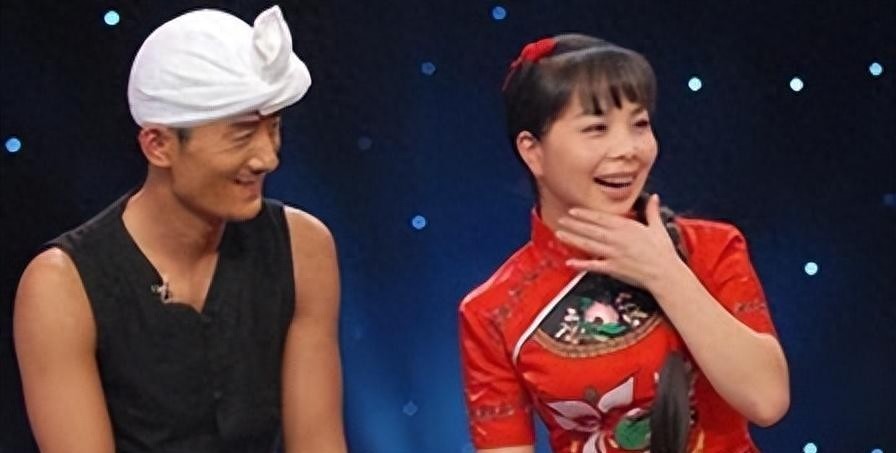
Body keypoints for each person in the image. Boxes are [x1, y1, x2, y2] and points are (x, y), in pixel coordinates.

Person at [13, 6, 346, 453]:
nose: (268, 157)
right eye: (242, 133)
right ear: (159, 145)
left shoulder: (303, 249)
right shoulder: (60, 287)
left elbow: (319, 444)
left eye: (274, 128)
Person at [459, 34, 789, 453]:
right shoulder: (492, 312)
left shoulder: (711, 248)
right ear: (533, 152)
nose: (629, 149)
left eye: (639, 124)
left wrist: (665, 274)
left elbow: (767, 400)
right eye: (596, 129)